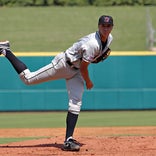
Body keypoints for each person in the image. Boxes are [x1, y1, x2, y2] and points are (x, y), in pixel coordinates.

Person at [0, 15, 114, 151]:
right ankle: (5, 50)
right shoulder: (92, 44)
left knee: (76, 102)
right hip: (63, 64)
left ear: (112, 27)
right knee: (28, 79)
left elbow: (83, 65)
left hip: (76, 71)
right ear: (99, 26)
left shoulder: (109, 39)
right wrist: (88, 81)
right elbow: (84, 68)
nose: (106, 28)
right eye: (103, 26)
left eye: (108, 26)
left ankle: (68, 140)